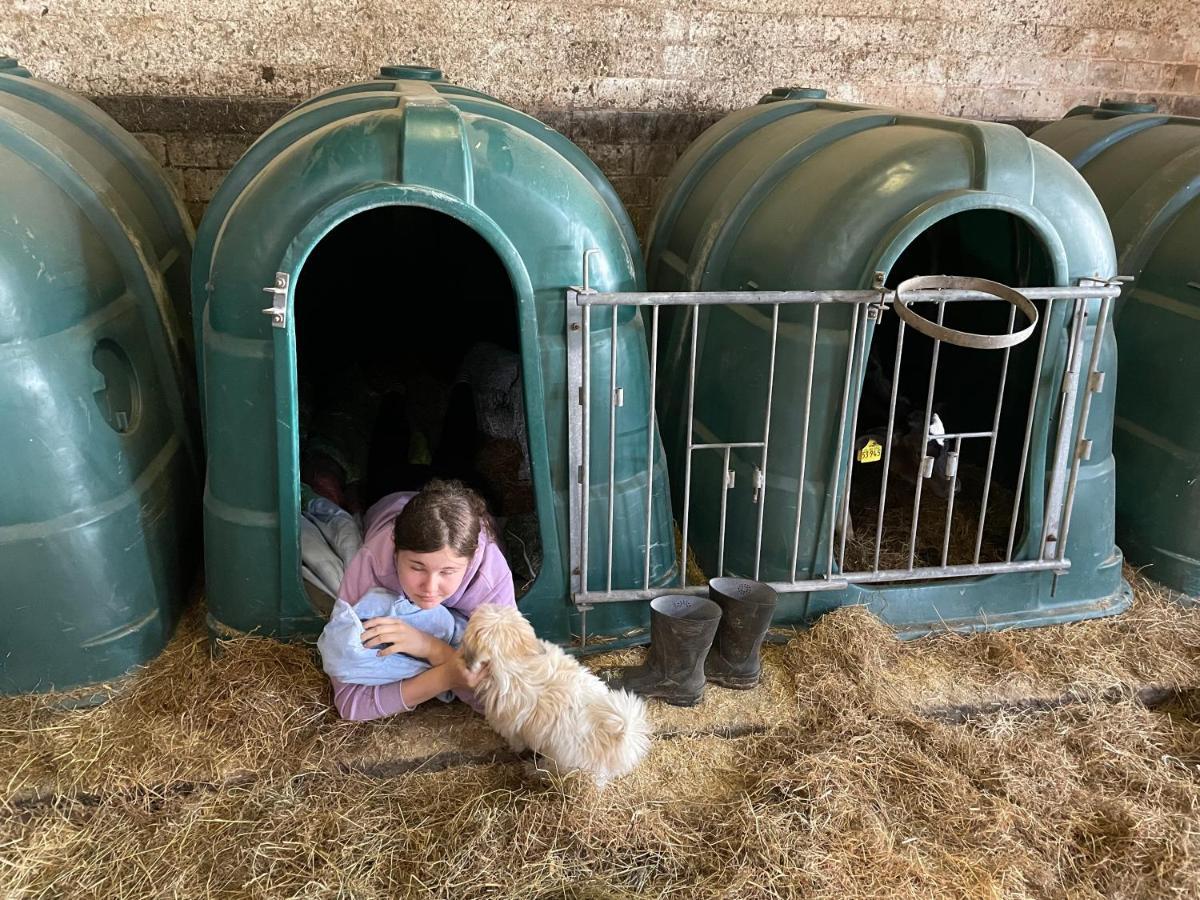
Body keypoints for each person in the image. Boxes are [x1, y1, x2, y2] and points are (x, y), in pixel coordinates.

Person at [324, 479, 516, 721]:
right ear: (395, 552)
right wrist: (445, 677)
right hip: (388, 493)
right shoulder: (373, 563)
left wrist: (433, 649)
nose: (430, 587)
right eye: (417, 567)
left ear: (470, 561)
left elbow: (506, 699)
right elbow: (350, 702)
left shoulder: (489, 574)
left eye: (447, 572)